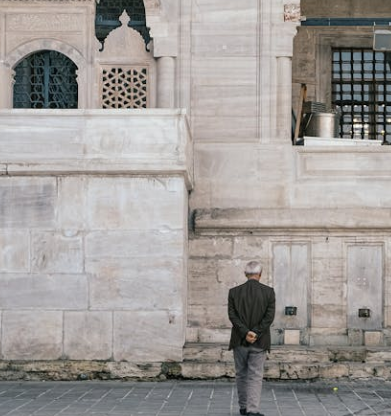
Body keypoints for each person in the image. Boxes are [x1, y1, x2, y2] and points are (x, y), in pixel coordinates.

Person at [228, 260, 276, 416]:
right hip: (260, 341)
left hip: (239, 340)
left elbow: (232, 316)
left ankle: (243, 407)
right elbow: (269, 317)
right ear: (260, 274)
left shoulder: (233, 292)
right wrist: (255, 332)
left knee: (241, 374)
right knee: (255, 375)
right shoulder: (269, 292)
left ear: (245, 274)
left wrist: (245, 333)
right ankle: (252, 410)